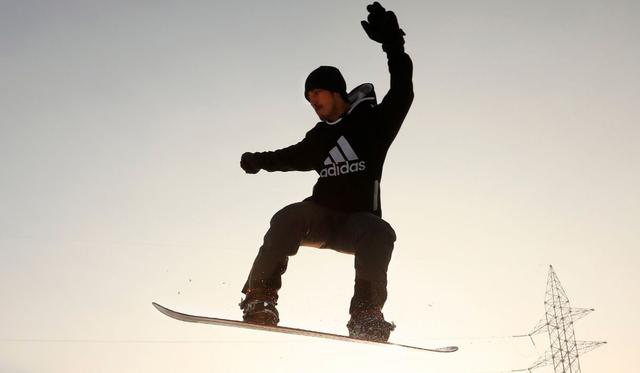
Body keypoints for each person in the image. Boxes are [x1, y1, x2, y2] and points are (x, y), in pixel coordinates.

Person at [238, 2, 413, 342]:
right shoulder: (319, 138)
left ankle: (365, 314)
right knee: (288, 216)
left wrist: (393, 45)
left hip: (357, 224)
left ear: (336, 91)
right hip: (320, 219)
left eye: (316, 93)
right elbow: (291, 156)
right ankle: (259, 296)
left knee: (381, 232)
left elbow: (403, 90)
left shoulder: (374, 125)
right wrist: (260, 160)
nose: (312, 101)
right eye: (307, 97)